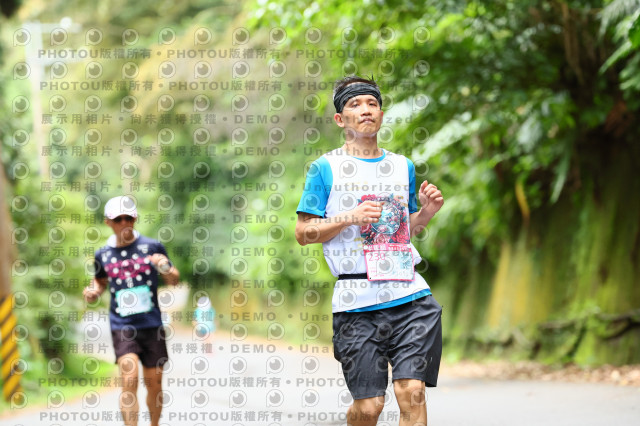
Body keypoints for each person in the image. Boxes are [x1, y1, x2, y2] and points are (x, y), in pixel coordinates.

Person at [295, 76, 444, 426]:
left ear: (381, 114)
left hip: (409, 293)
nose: (365, 110)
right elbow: (303, 233)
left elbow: (405, 230)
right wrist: (350, 217)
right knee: (369, 407)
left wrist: (426, 212)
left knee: (412, 391)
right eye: (355, 104)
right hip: (355, 301)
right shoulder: (324, 168)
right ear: (340, 119)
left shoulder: (402, 166)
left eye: (372, 104)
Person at [83, 195, 179, 426]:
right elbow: (100, 281)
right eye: (119, 219)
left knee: (155, 384)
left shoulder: (152, 246)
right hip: (122, 325)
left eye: (129, 218)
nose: (124, 223)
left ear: (135, 218)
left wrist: (164, 266)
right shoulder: (103, 254)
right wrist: (94, 291)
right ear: (108, 222)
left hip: (152, 324)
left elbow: (174, 280)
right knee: (129, 379)